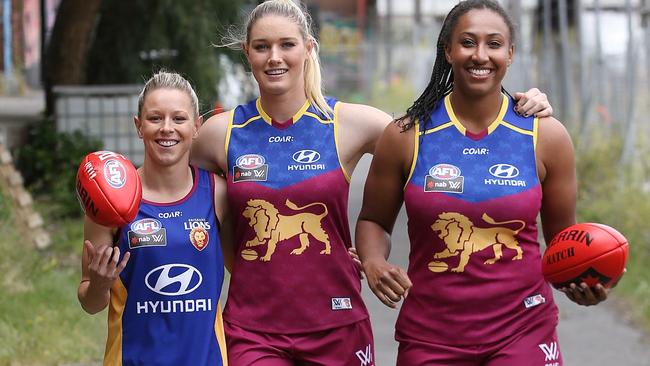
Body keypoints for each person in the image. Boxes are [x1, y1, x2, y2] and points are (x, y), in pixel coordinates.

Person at [193, 0, 554, 364]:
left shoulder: (351, 123)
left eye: (286, 44)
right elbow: (172, 192)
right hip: (254, 326)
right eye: (262, 46)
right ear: (247, 52)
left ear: (308, 49)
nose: (274, 57)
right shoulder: (219, 133)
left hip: (337, 320)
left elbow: (443, 137)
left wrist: (522, 109)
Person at [355, 1, 613, 365]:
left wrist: (581, 281)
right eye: (467, 42)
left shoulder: (545, 135)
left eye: (493, 44)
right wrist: (373, 261)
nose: (480, 55)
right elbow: (374, 220)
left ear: (510, 53)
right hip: (431, 334)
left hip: (523, 329)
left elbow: (562, 243)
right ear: (448, 50)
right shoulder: (407, 135)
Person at [77, 71, 229, 365]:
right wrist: (98, 283)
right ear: (139, 126)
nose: (166, 128)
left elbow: (250, 273)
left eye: (179, 119)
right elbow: (90, 303)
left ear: (197, 126)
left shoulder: (217, 194)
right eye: (155, 118)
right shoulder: (108, 202)